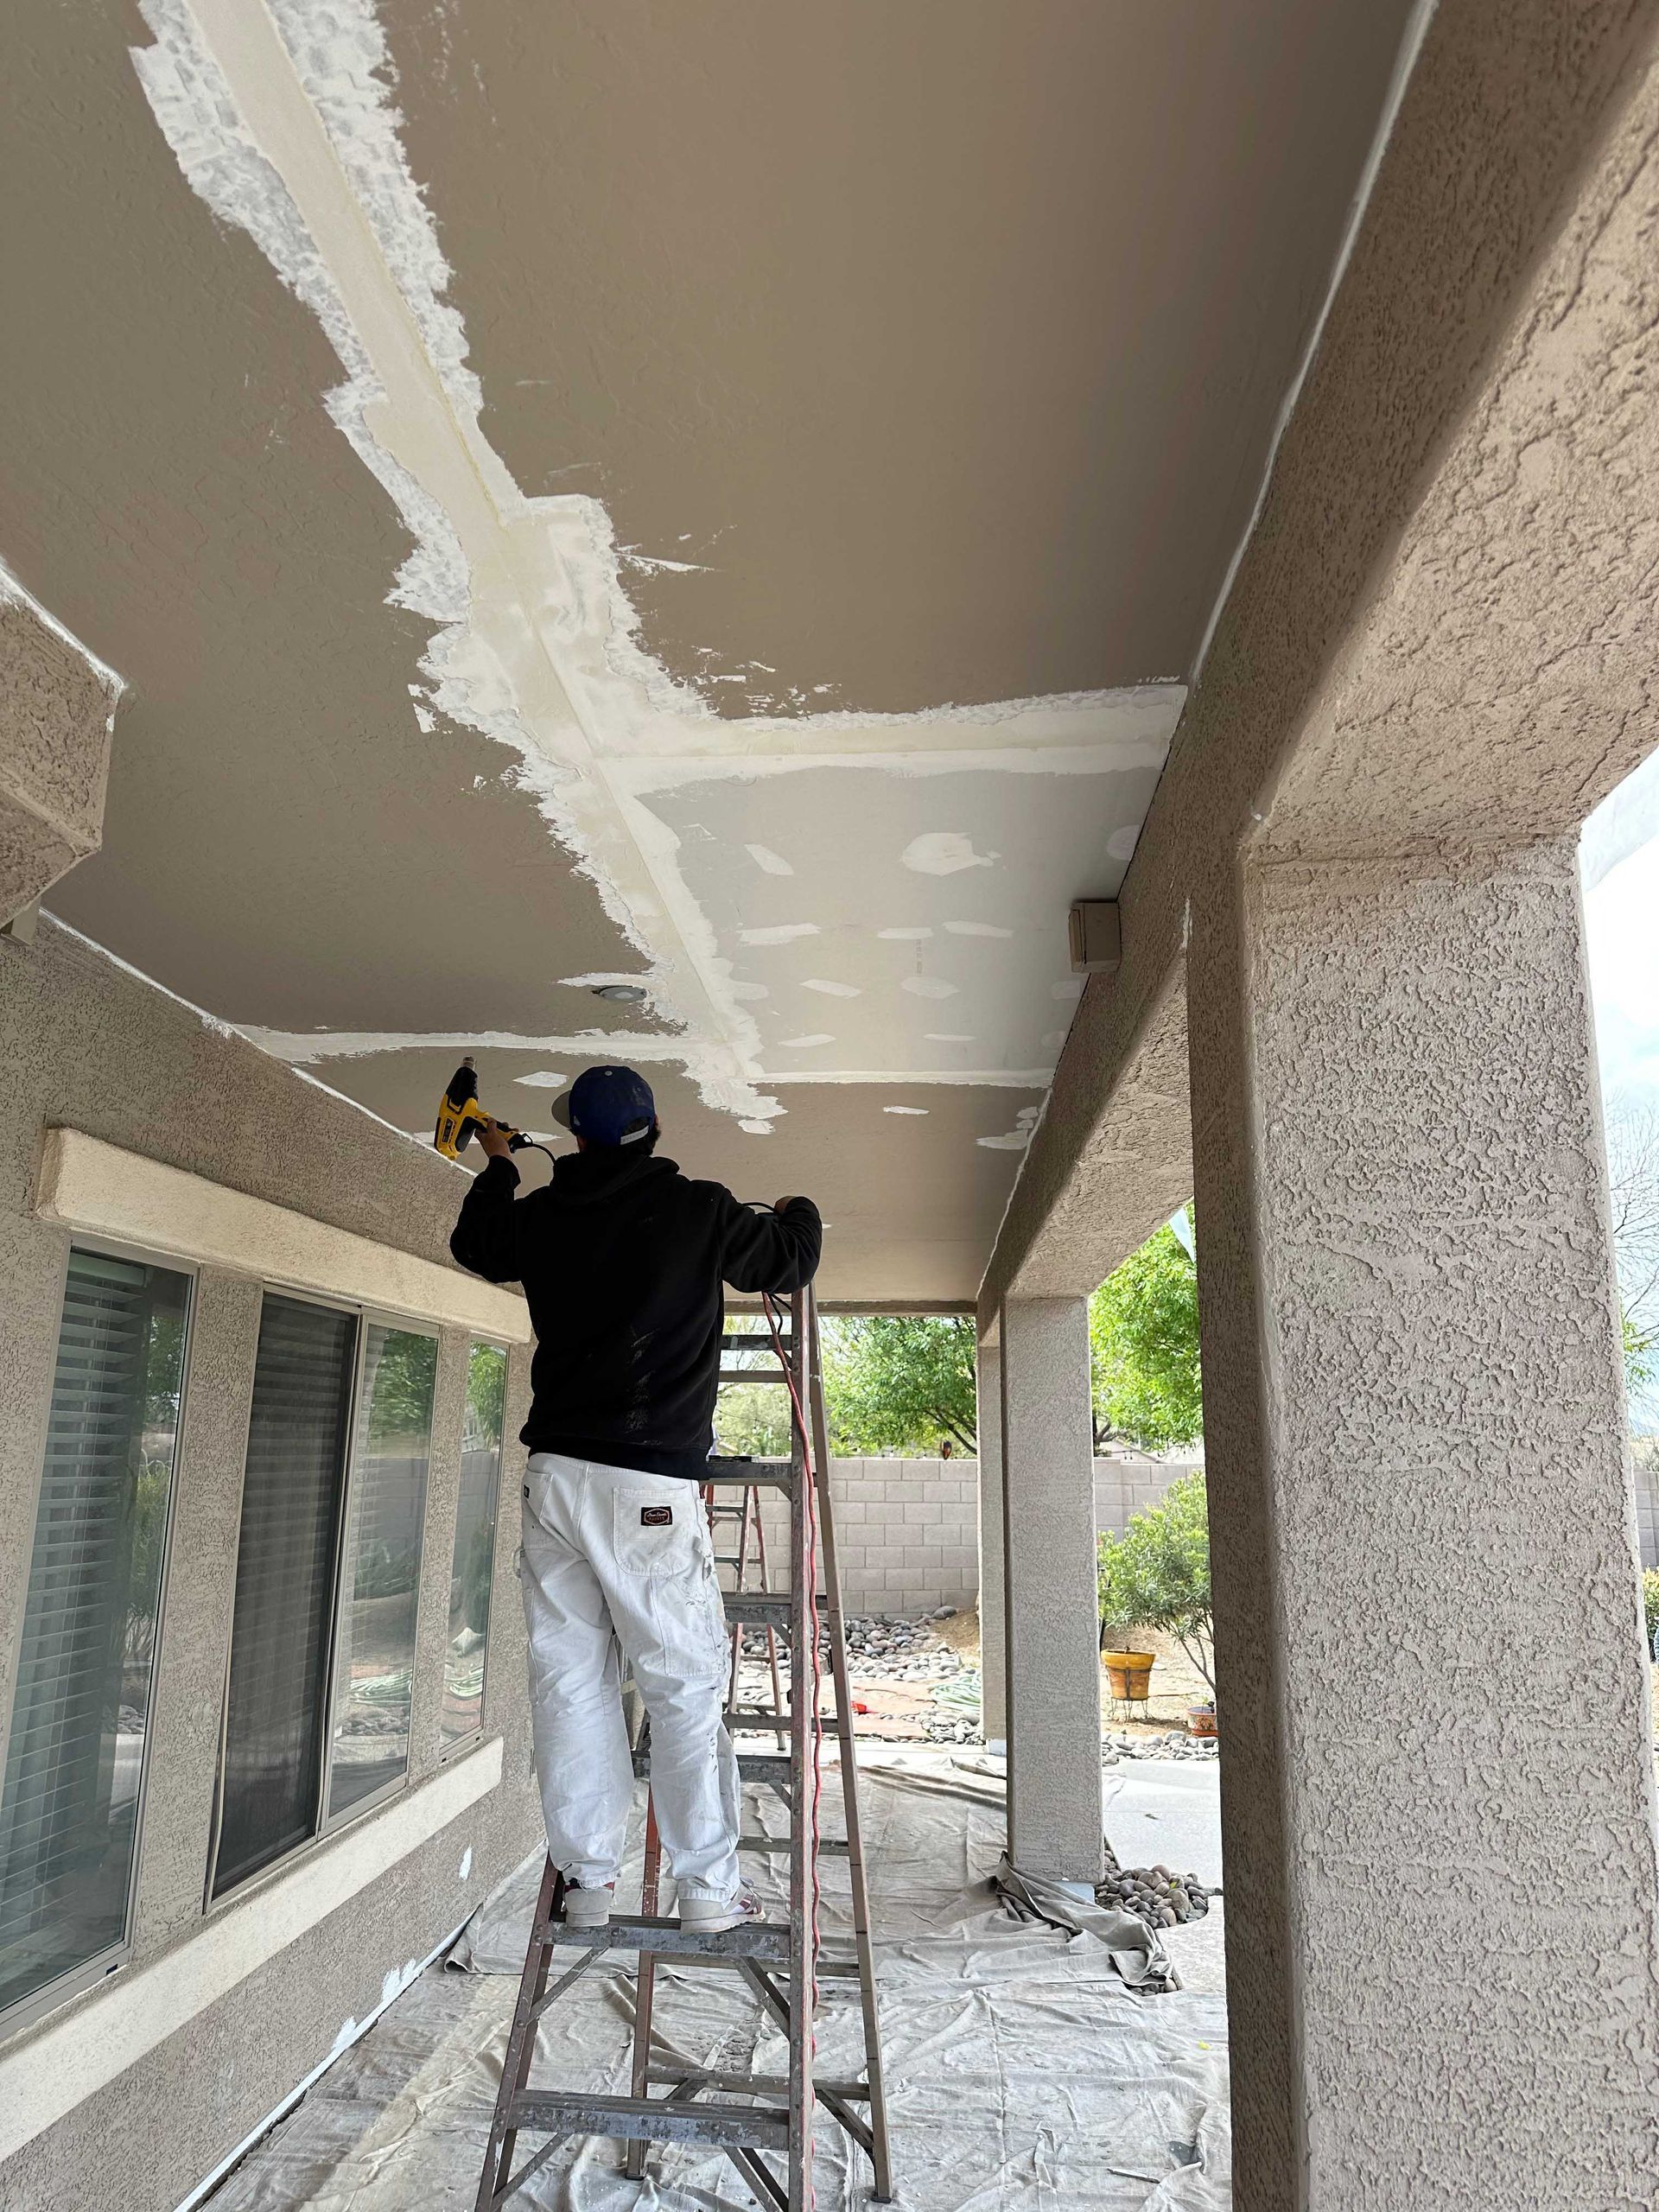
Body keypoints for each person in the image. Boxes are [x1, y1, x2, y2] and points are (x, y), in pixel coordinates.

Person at [449, 1062, 821, 1933]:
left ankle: (586, 1883)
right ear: (652, 1132)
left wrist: (500, 1162)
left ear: (574, 1137)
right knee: (681, 1685)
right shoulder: (697, 1209)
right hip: (648, 1487)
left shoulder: (542, 1216)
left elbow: (478, 1245)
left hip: (559, 1481)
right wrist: (799, 1208)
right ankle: (706, 1891)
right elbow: (790, 1261)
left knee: (572, 1681)